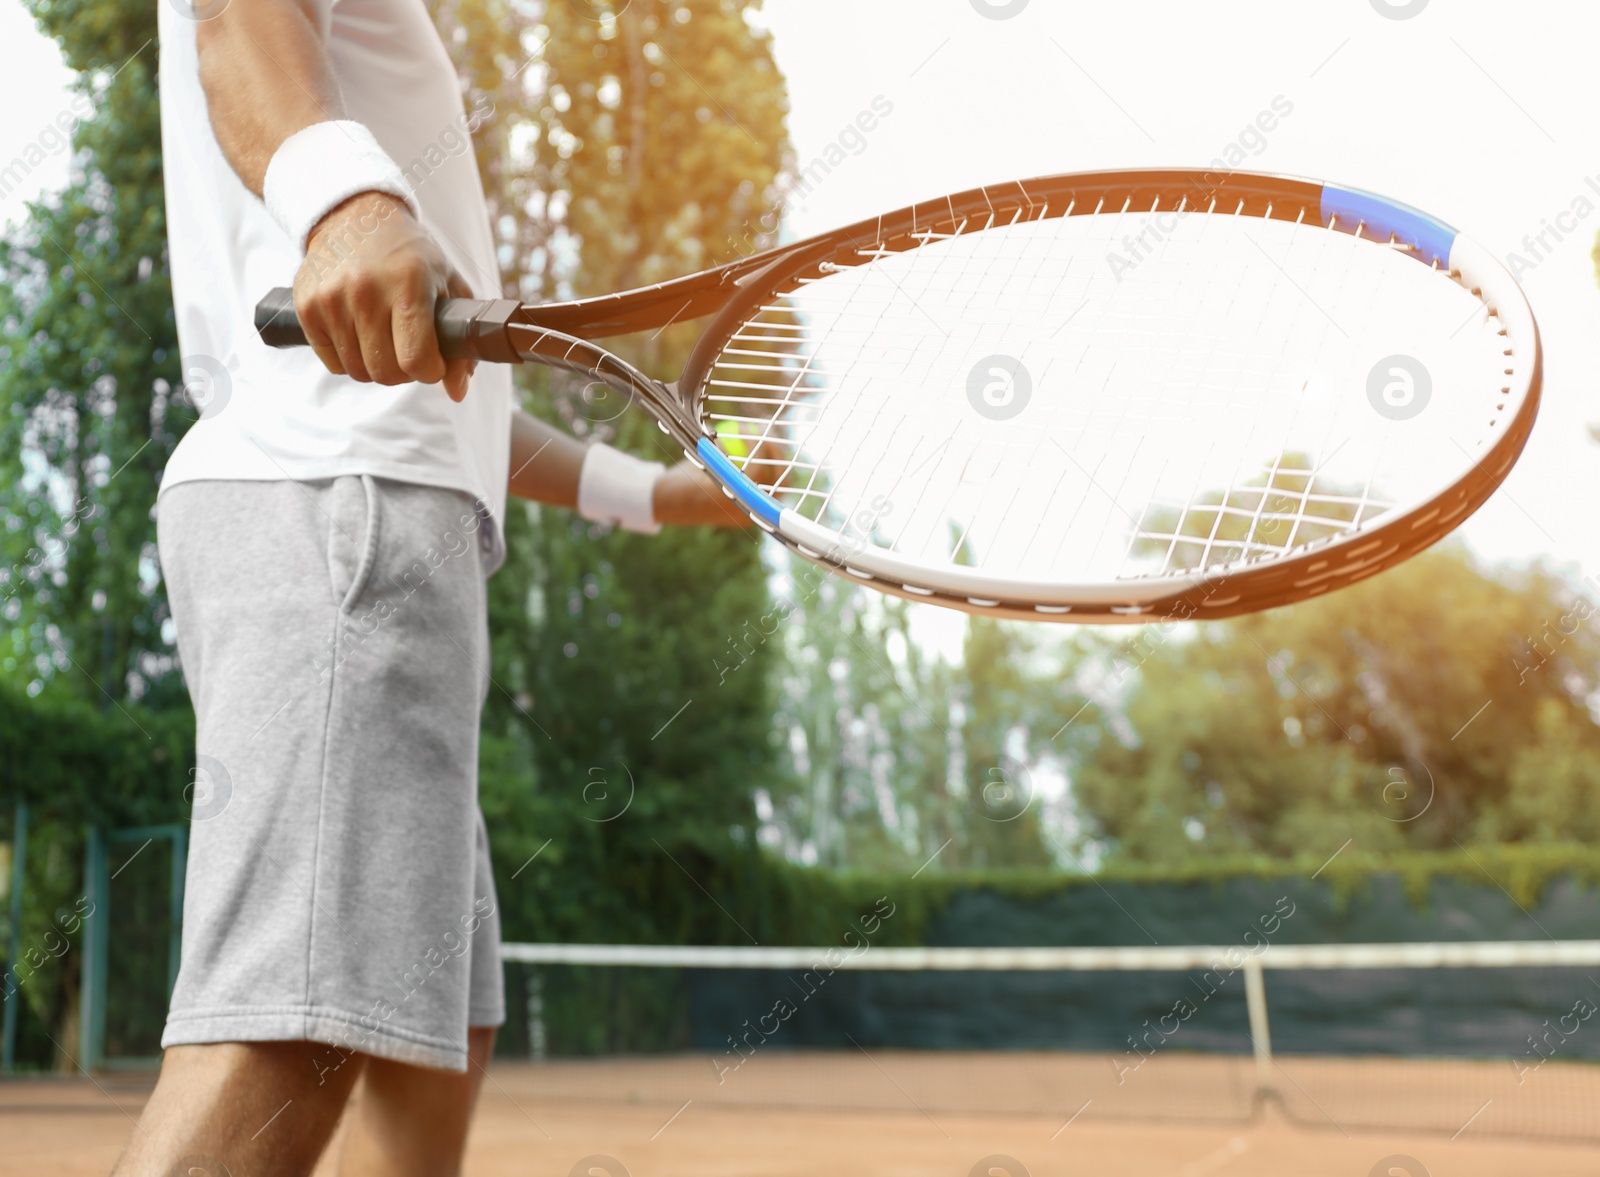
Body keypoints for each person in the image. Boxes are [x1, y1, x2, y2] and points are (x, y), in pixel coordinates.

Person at [118, 0, 747, 1172]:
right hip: (341, 506)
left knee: (429, 1034)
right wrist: (348, 205)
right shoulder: (349, 162)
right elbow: (237, 21)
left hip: (366, 499)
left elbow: (459, 397)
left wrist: (653, 496)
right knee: (288, 1027)